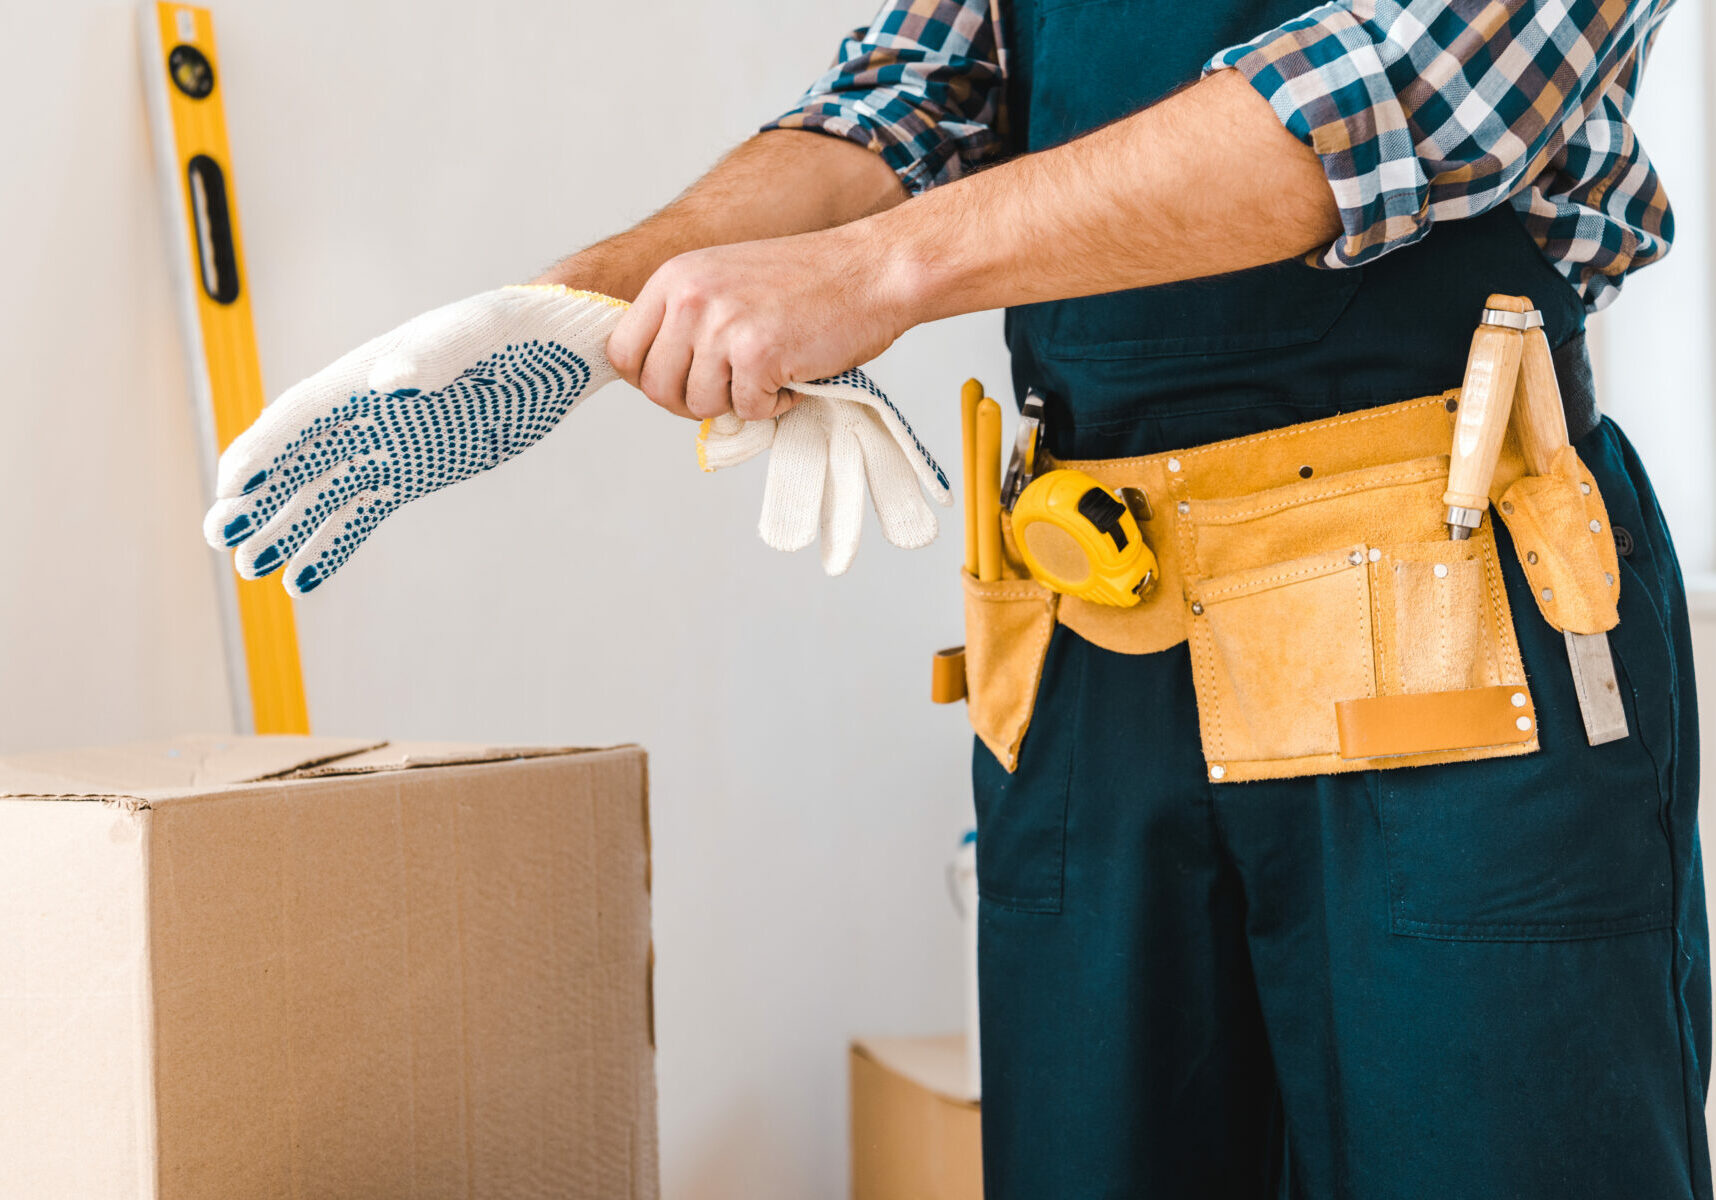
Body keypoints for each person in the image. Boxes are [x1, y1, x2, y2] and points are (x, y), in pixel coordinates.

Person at [208, 1, 1707, 1196]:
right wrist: (593, 296)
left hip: (1450, 622)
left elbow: (1398, 85)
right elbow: (917, 87)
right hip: (1098, 638)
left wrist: (877, 271)